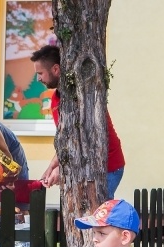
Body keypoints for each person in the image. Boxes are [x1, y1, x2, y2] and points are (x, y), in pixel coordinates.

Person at [31, 45, 125, 199]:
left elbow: (83, 140)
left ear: (55, 69)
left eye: (40, 73)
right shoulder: (55, 100)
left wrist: (61, 169)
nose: (38, 79)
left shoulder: (83, 94)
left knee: (97, 212)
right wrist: (52, 167)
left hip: (108, 167)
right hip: (87, 169)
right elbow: (66, 140)